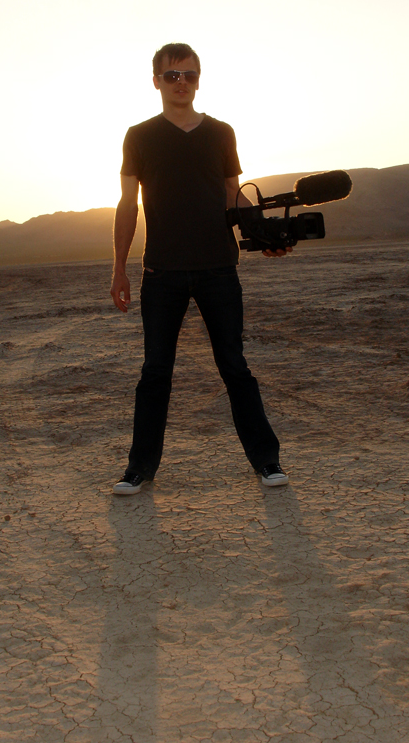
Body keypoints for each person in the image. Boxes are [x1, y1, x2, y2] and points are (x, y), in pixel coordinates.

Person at [110, 43, 290, 495]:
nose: (182, 83)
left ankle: (267, 461)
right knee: (155, 372)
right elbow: (128, 204)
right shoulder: (139, 136)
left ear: (198, 79)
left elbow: (232, 193)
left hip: (218, 268)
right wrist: (118, 268)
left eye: (190, 75)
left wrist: (263, 235)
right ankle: (140, 467)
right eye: (172, 75)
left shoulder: (220, 133)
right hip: (162, 273)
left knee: (234, 366)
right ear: (156, 81)